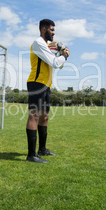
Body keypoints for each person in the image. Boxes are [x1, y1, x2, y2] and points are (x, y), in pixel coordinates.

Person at [26, 19, 70, 163]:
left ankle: (42, 150)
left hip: (46, 85)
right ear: (44, 29)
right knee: (34, 116)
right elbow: (56, 63)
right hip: (36, 83)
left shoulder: (45, 46)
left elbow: (57, 64)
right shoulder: (38, 43)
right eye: (51, 29)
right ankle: (31, 155)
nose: (54, 33)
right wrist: (64, 55)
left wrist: (59, 53)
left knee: (44, 117)